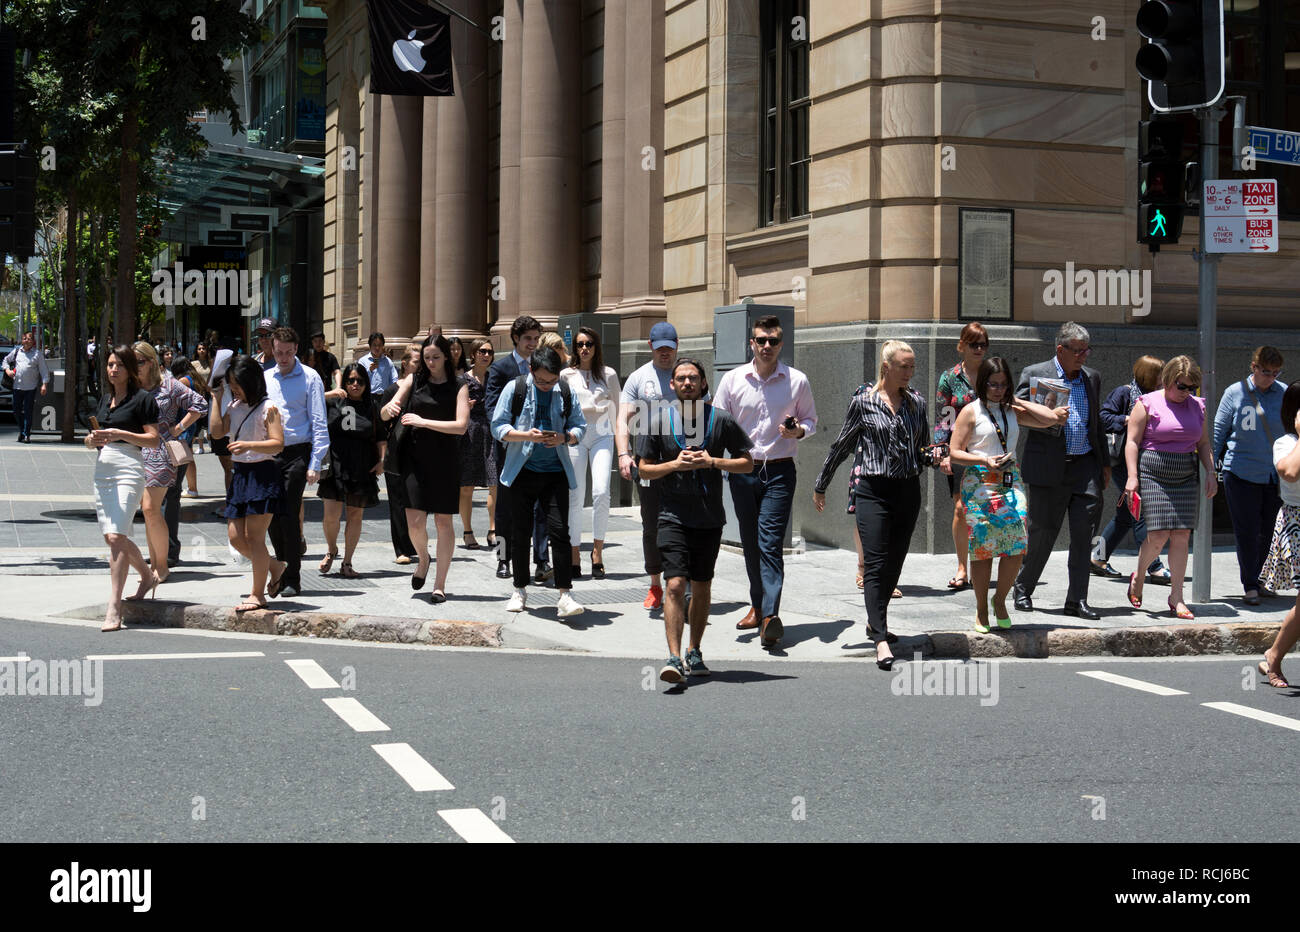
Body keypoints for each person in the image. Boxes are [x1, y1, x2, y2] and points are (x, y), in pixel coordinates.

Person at [814, 340, 939, 670]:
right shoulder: (864, 402)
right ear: (886, 367)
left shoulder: (917, 403)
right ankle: (881, 638)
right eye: (904, 366)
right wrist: (821, 484)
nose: (910, 372)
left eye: (913, 367)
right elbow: (842, 444)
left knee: (894, 563)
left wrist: (937, 457)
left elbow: (922, 450)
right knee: (875, 560)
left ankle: (875, 620)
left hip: (907, 490)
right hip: (872, 489)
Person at [637, 358, 753, 685]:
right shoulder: (657, 421)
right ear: (671, 385)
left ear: (703, 384)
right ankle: (673, 657)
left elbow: (747, 463)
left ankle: (695, 650)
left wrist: (713, 461)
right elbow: (644, 469)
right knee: (674, 584)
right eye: (681, 379)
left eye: (693, 378)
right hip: (671, 515)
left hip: (708, 518)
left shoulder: (722, 420)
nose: (687, 383)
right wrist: (674, 465)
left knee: (701, 587)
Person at [713, 314, 818, 649]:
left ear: (781, 343)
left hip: (780, 470)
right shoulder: (732, 380)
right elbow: (717, 422)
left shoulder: (797, 380)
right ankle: (757, 605)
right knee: (750, 541)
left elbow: (810, 420)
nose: (768, 346)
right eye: (762, 340)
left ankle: (771, 616)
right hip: (743, 470)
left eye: (773, 340)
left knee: (770, 541)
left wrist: (797, 431)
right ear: (752, 343)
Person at [947, 357, 1067, 632]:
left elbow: (1050, 419)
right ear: (982, 384)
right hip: (979, 482)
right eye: (993, 384)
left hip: (1009, 481)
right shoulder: (971, 411)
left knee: (1017, 543)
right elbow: (954, 451)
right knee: (984, 547)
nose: (998, 390)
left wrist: (1017, 400)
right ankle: (980, 609)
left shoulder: (1012, 409)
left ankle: (999, 600)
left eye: (1003, 385)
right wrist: (983, 461)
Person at [1013, 322, 1108, 620]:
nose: (1082, 356)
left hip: (1085, 466)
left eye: (1086, 351)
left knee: (1084, 535)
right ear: (1060, 349)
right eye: (1077, 351)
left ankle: (1077, 600)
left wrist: (1104, 464)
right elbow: (1017, 413)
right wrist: (1048, 418)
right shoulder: (1034, 373)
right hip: (1049, 466)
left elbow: (1097, 424)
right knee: (1043, 532)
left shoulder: (1092, 378)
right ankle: (1023, 588)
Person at [491, 345, 587, 617]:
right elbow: (497, 427)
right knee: (520, 532)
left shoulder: (565, 391)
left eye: (551, 380)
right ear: (531, 370)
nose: (546, 385)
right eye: (541, 380)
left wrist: (564, 438)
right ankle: (519, 588)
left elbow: (580, 426)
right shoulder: (516, 388)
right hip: (522, 471)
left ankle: (565, 594)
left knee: (559, 532)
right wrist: (526, 436)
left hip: (555, 471)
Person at [1124, 356, 1217, 620]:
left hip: (1186, 473)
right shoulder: (1146, 403)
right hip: (1154, 471)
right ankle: (1139, 576)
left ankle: (1177, 597)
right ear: (1166, 380)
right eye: (1181, 386)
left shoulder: (1198, 406)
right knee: (1158, 534)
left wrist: (1211, 472)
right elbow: (1132, 442)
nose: (1186, 392)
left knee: (1182, 535)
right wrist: (1132, 477)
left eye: (1191, 387)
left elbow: (1204, 444)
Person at [385, 335, 470, 602]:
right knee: (414, 521)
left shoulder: (459, 386)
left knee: (443, 521)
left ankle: (439, 584)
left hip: (444, 460)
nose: (430, 362)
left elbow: (461, 426)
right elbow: (387, 412)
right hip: (414, 458)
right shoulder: (414, 380)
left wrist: (424, 421)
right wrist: (389, 408)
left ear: (447, 356)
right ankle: (423, 558)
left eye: (435, 357)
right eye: (426, 357)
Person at [87, 345, 162, 632]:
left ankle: (114, 605)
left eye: (118, 364)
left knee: (117, 535)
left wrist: (119, 434)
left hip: (130, 467)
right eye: (109, 364)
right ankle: (147, 575)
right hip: (103, 468)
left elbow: (153, 439)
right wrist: (91, 441)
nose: (113, 369)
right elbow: (93, 438)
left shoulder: (142, 399)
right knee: (112, 538)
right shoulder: (106, 399)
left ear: (130, 369)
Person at [209, 356, 286, 612]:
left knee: (254, 538)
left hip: (263, 473)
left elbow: (277, 443)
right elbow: (217, 432)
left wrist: (249, 445)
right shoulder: (233, 405)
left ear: (251, 381)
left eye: (237, 385)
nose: (236, 390)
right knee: (235, 538)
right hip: (241, 475)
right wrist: (216, 398)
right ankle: (275, 567)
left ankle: (258, 594)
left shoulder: (269, 407)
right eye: (232, 385)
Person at [616, 321, 683, 610]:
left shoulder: (687, 374)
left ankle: (681, 580)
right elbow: (623, 419)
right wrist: (623, 453)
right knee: (652, 524)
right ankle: (655, 583)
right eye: (660, 349)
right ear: (650, 347)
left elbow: (706, 413)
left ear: (677, 346)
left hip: (682, 460)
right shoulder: (639, 378)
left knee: (686, 521)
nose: (665, 354)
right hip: (648, 461)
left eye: (670, 348)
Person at [1215, 346, 1286, 605]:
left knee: (1269, 531)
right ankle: (1250, 584)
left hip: (1274, 475)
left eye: (1276, 372)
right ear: (1253, 367)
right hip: (1241, 472)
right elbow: (1218, 432)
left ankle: (1263, 579)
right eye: (1266, 372)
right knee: (1247, 531)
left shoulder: (1285, 393)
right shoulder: (1235, 392)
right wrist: (1210, 469)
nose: (1271, 378)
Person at [132, 342, 207, 583]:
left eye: (140, 362)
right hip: (137, 452)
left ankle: (162, 565)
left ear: (152, 362)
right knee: (148, 510)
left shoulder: (169, 384)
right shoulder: (134, 386)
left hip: (161, 452)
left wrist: (179, 427)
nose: (136, 367)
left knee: (151, 508)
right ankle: (155, 562)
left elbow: (200, 404)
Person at [263, 327, 330, 598]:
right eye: (278, 352)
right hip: (269, 452)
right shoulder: (266, 377)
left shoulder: (310, 378)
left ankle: (293, 576)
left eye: (288, 353)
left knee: (289, 513)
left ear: (296, 350)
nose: (283, 357)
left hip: (298, 453)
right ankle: (280, 566)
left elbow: (319, 422)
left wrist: (316, 463)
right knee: (270, 516)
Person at [1096, 355, 1167, 582]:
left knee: (1126, 515)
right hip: (1122, 461)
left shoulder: (1160, 397)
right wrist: (1130, 419)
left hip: (1147, 460)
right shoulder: (1125, 393)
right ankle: (1153, 565)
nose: (1162, 380)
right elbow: (1104, 417)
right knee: (1140, 510)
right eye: (1159, 376)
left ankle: (1097, 558)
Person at [933, 322, 989, 590]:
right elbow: (943, 418)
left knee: (991, 507)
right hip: (960, 450)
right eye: (973, 344)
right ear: (962, 345)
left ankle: (985, 560)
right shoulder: (950, 377)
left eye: (983, 344)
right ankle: (962, 566)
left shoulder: (994, 373)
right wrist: (943, 452)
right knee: (960, 508)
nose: (979, 349)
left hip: (991, 449)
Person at [485, 316, 542, 579]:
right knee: (505, 507)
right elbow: (492, 409)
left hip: (539, 449)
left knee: (537, 506)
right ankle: (503, 559)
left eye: (535, 338)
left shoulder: (543, 366)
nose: (532, 343)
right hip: (509, 447)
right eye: (528, 338)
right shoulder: (500, 369)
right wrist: (511, 433)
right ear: (516, 339)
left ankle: (538, 560)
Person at [561, 327, 621, 578]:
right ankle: (574, 552)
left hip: (602, 433)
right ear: (575, 348)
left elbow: (617, 411)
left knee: (601, 491)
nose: (584, 348)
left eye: (589, 344)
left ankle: (597, 550)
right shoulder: (566, 374)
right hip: (576, 434)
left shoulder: (608, 374)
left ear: (596, 347)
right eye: (579, 344)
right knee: (575, 495)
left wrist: (623, 450)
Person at [316, 363, 385, 578]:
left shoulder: (372, 406)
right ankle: (331, 549)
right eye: (351, 380)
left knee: (355, 515)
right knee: (330, 517)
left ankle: (347, 562)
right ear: (344, 381)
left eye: (360, 381)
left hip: (361, 467)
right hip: (335, 466)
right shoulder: (333, 402)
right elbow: (307, 398)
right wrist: (331, 392)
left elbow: (381, 437)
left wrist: (382, 460)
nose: (355, 384)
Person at [1257, 380, 1300, 688]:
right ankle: (1273, 656)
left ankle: (1273, 654)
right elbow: (1290, 473)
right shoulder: (1286, 443)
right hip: (1295, 523)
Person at [381, 346, 423, 565]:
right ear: (405, 363)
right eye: (416, 361)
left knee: (415, 500)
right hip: (397, 450)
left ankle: (415, 543)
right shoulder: (392, 390)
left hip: (419, 451)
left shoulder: (424, 389)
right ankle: (401, 548)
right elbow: (382, 422)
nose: (420, 365)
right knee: (397, 501)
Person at [458, 338, 499, 550]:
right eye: (482, 351)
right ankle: (467, 531)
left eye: (490, 352)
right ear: (473, 354)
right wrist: (464, 405)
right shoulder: (462, 380)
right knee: (467, 486)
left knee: (494, 482)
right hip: (470, 433)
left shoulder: (495, 379)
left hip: (491, 432)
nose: (486, 355)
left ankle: (493, 529)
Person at [4, 331, 51, 443]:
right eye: (25, 338)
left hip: (31, 387)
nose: (27, 340)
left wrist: (44, 384)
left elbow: (44, 370)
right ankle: (22, 430)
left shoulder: (37, 354)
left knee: (28, 411)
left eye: (29, 339)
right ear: (22, 340)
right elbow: (5, 360)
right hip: (17, 386)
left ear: (33, 341)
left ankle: (26, 435)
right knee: (16, 411)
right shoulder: (16, 351)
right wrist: (7, 371)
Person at [171, 356, 208, 497]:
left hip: (184, 421)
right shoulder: (194, 379)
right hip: (192, 421)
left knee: (183, 457)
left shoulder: (183, 381)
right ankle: (192, 488)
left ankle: (189, 488)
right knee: (187, 455)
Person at [357, 332, 398, 397]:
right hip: (369, 396)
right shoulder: (362, 361)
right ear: (370, 346)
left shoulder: (388, 361)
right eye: (374, 345)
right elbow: (359, 380)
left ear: (383, 346)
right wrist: (369, 370)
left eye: (379, 345)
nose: (377, 348)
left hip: (385, 396)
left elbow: (394, 379)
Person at [305, 331, 342, 396]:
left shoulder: (330, 356)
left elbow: (337, 372)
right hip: (310, 391)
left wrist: (338, 387)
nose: (318, 343)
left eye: (320, 341)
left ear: (323, 342)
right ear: (312, 343)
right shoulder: (307, 356)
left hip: (327, 391)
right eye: (315, 341)